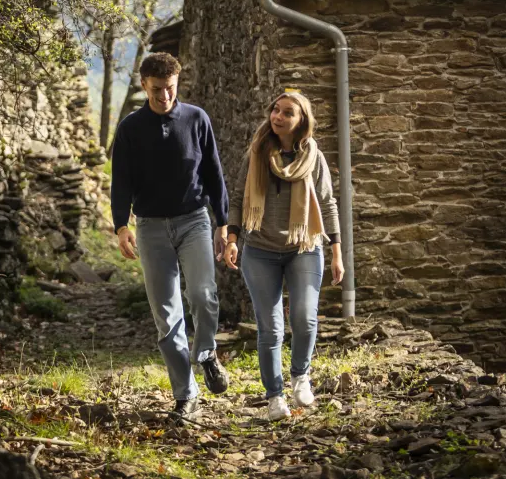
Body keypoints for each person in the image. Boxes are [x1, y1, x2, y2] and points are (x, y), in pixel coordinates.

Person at [111, 52, 230, 421]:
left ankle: (207, 352)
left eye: (171, 89)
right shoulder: (131, 128)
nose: (165, 96)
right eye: (158, 89)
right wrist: (121, 225)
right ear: (144, 85)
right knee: (166, 315)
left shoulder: (197, 119)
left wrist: (223, 222)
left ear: (178, 84)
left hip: (194, 220)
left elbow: (213, 172)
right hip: (150, 227)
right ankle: (185, 395)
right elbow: (121, 180)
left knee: (202, 294)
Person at [224, 90, 344, 421]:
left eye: (286, 113)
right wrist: (232, 238)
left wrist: (337, 252)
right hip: (260, 250)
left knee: (305, 318)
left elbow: (328, 202)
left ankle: (300, 376)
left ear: (300, 120)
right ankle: (274, 396)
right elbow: (237, 197)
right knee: (270, 328)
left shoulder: (313, 156)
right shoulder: (257, 153)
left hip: (304, 247)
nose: (277, 116)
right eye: (275, 110)